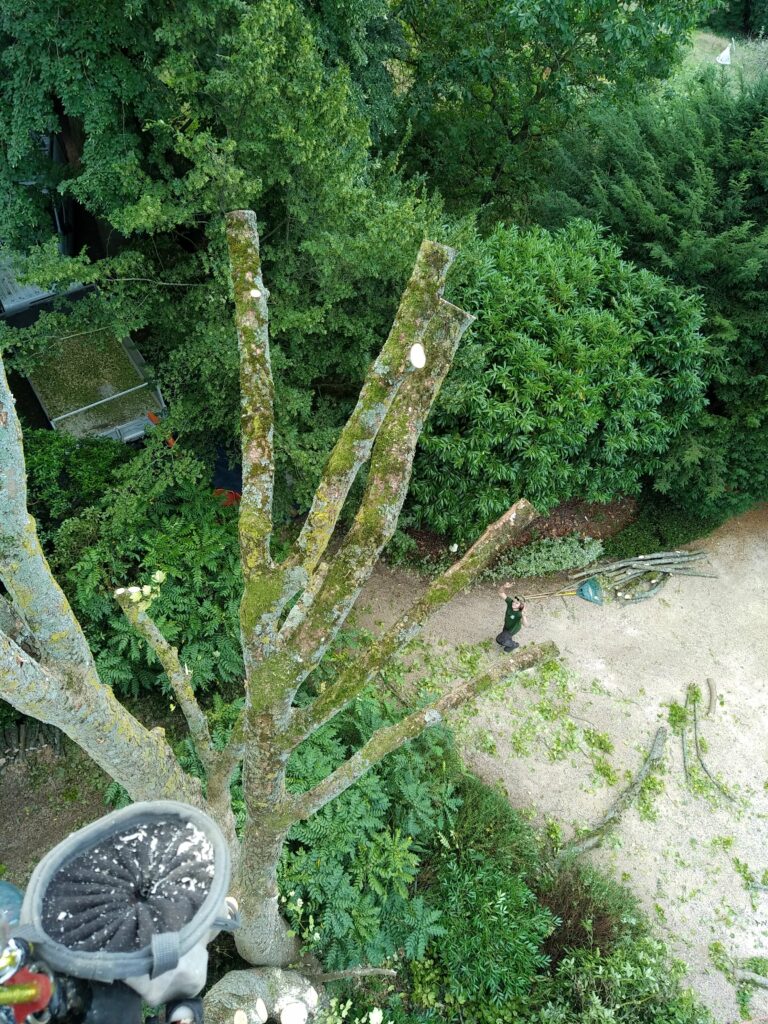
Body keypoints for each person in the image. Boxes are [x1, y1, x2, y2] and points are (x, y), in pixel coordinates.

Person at [496, 584, 528, 653]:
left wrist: (524, 616)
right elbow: (500, 593)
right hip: (507, 624)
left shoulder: (519, 613)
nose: (513, 603)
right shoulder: (510, 603)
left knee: (499, 639)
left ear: (521, 605)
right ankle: (508, 640)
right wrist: (504, 587)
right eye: (514, 601)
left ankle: (514, 645)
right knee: (504, 635)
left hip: (513, 629)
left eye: (516, 603)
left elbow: (526, 625)